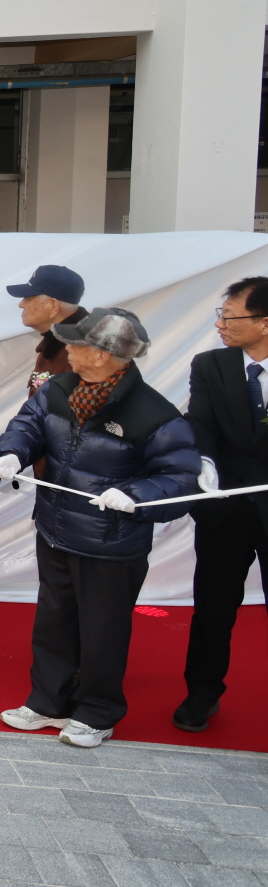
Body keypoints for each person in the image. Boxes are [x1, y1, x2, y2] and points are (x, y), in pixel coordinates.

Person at [0, 308, 199, 748]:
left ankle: (97, 712)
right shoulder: (59, 388)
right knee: (53, 620)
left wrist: (138, 497)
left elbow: (181, 478)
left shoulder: (154, 414)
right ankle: (48, 701)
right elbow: (27, 424)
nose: (67, 348)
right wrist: (13, 452)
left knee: (103, 630)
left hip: (110, 543)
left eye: (75, 343)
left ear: (102, 356)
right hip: (55, 527)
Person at [177, 277, 268, 733]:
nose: (221, 325)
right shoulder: (211, 365)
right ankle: (202, 692)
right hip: (225, 507)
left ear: (265, 322)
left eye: (230, 317)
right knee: (213, 607)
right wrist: (205, 464)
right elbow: (200, 423)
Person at [7, 265, 87, 396]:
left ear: (53, 306)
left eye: (28, 298)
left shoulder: (84, 354)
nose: (21, 304)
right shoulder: (54, 346)